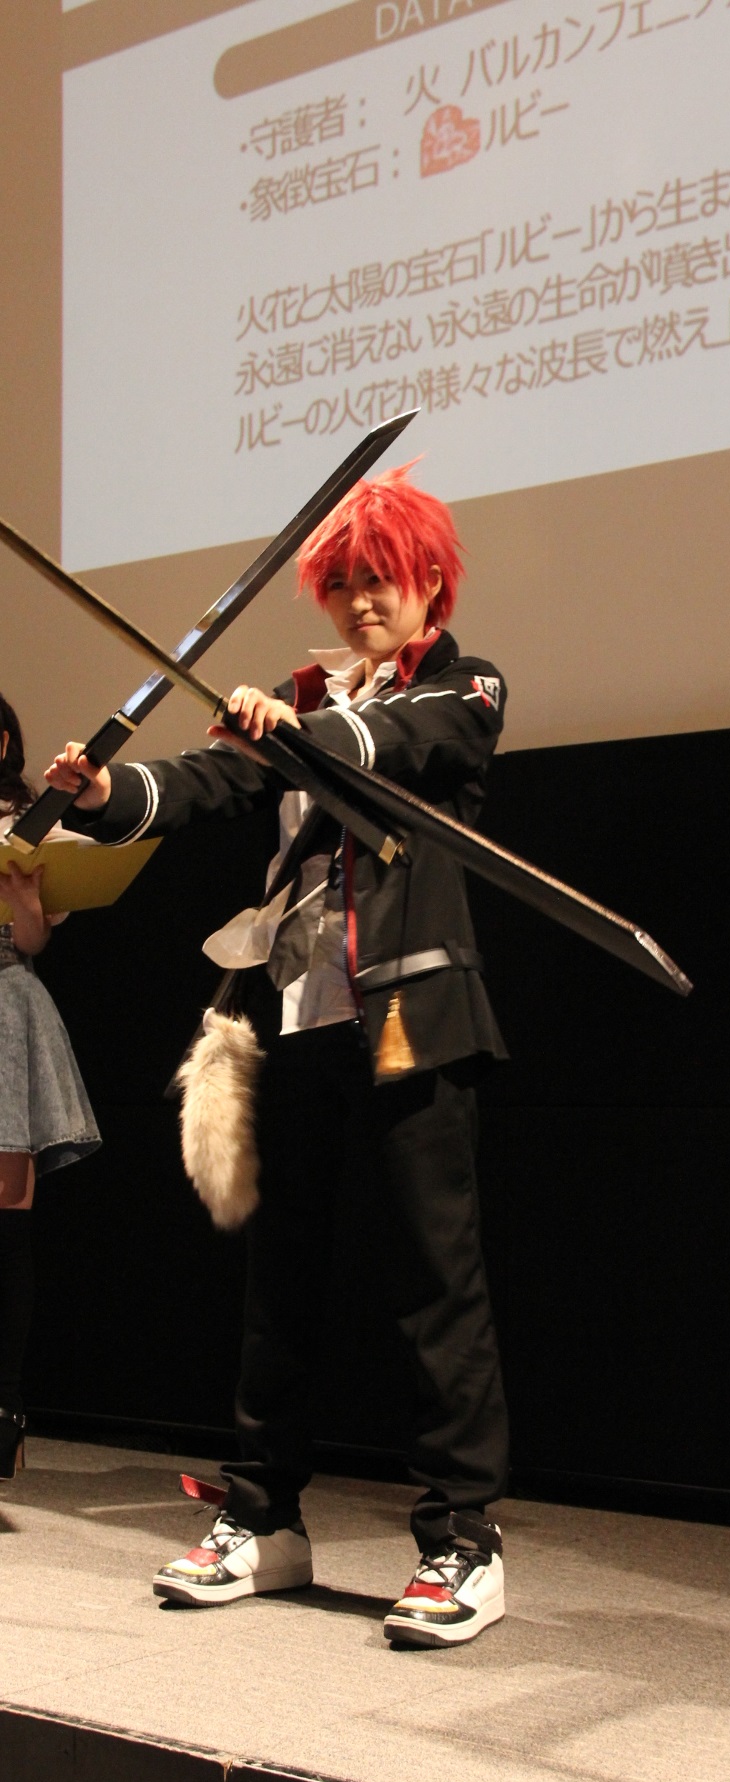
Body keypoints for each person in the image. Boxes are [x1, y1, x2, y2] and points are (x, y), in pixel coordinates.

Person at [47, 467, 510, 1645]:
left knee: (435, 1283)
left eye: (382, 579)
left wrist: (301, 730)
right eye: (343, 583)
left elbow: (392, 741)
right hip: (296, 1018)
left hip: (413, 1019)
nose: (362, 601)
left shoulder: (464, 687)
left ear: (430, 582)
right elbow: (204, 782)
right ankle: (265, 1518)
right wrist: (104, 793)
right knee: (279, 1282)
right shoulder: (297, 702)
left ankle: (463, 1538)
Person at [0, 693, 101, 1480]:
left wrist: (26, 901)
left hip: (5, 1007)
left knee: (6, 1220)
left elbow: (32, 940)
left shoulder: (30, 822)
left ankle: (3, 1412)